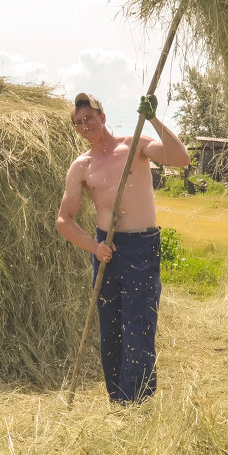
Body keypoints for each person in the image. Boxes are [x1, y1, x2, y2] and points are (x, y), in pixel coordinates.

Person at [56, 92, 190, 404]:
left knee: (139, 325)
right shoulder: (82, 167)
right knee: (111, 330)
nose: (85, 124)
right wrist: (95, 247)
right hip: (109, 251)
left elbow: (180, 158)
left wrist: (154, 119)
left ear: (103, 117)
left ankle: (138, 402)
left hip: (142, 246)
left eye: (89, 117)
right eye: (78, 122)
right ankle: (118, 401)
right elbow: (64, 220)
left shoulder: (134, 146)